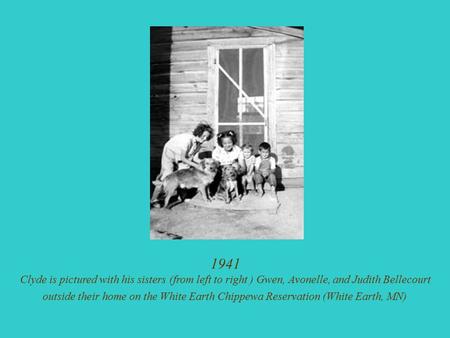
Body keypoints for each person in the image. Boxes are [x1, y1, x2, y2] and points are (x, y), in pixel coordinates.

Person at [151, 123, 214, 206]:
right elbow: (183, 158)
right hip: (170, 151)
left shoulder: (198, 144)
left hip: (180, 155)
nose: (205, 138)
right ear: (199, 133)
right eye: (204, 136)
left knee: (183, 171)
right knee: (167, 174)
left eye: (207, 137)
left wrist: (202, 164)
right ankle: (154, 200)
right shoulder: (187, 140)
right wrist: (196, 165)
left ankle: (181, 196)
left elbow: (192, 158)